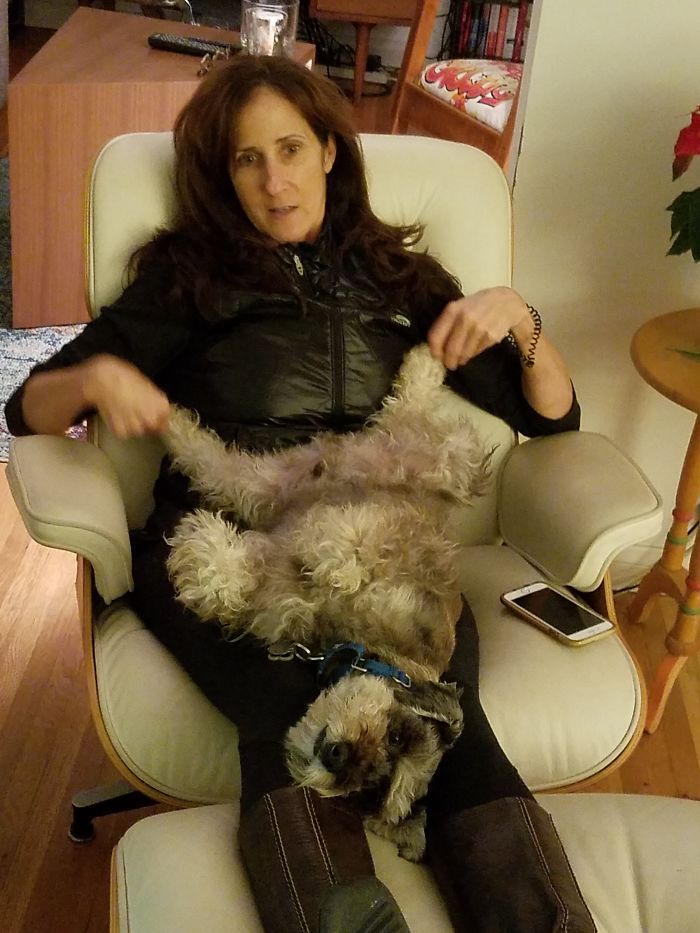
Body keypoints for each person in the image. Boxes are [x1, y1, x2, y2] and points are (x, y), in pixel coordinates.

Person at [5, 56, 594, 933]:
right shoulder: (188, 279)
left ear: (329, 150)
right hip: (238, 551)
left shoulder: (405, 281)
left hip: (386, 550)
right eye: (248, 159)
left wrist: (519, 316)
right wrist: (94, 379)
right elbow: (28, 404)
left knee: (455, 734)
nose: (274, 181)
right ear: (223, 174)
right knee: (296, 728)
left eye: (289, 149)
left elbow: (553, 417)